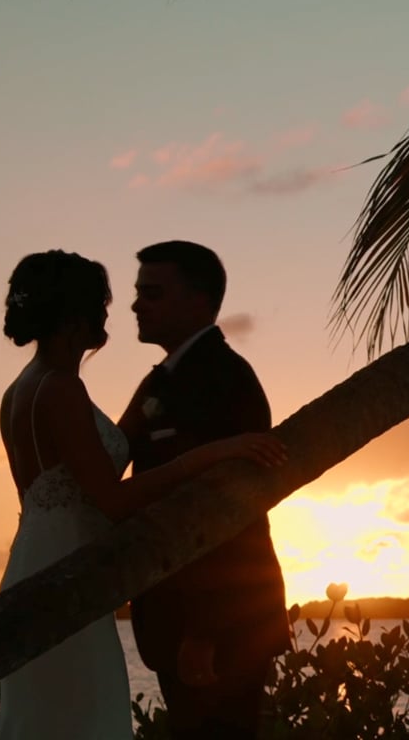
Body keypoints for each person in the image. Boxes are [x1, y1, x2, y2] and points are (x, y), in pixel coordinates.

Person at [0, 250, 285, 740]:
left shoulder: (24, 388)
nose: (122, 309)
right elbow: (112, 498)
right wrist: (213, 454)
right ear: (76, 315)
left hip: (40, 560)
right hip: (71, 573)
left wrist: (206, 627)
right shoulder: (61, 388)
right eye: (106, 301)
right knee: (80, 717)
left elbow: (118, 452)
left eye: (148, 294)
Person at [116, 241, 293, 740]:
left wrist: (205, 630)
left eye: (151, 293)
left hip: (223, 622)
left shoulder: (225, 378)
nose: (136, 305)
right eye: (137, 293)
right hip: (174, 615)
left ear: (197, 302)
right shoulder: (163, 381)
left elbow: (229, 508)